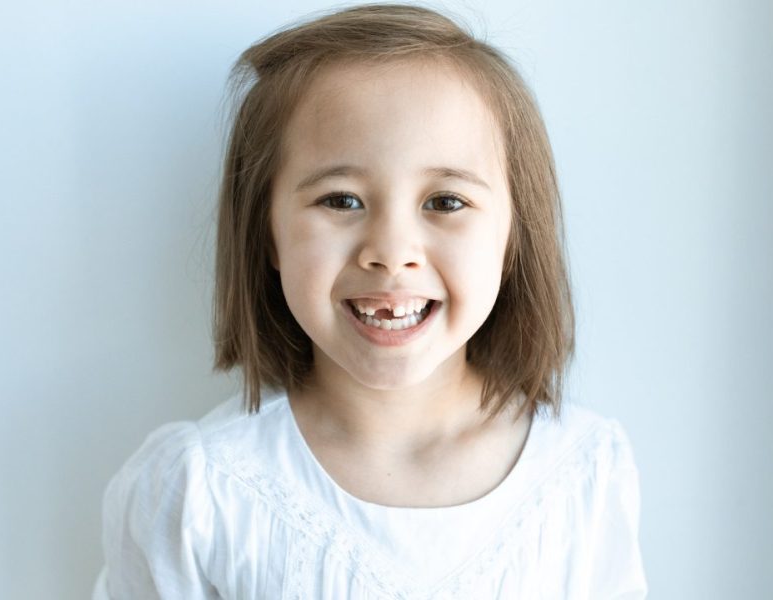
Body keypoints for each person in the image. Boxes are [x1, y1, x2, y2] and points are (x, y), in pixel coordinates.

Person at [92, 3, 648, 598]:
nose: (392, 252)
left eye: (445, 202)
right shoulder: (196, 494)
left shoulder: (584, 475)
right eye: (341, 200)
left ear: (514, 234)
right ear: (267, 234)